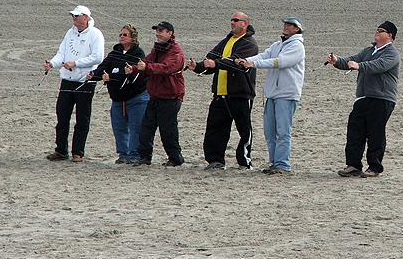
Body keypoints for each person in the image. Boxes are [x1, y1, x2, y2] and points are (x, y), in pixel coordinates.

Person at [185, 12, 258, 170]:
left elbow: (236, 63)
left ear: (245, 24)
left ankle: (244, 162)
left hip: (240, 94)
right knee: (215, 128)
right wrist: (197, 67)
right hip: (220, 94)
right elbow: (211, 59)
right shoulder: (226, 41)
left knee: (244, 129)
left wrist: (215, 64)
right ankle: (215, 160)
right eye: (231, 20)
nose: (232, 22)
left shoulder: (249, 43)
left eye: (236, 20)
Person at [327, 21, 401, 178]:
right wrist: (336, 61)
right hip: (362, 97)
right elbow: (351, 60)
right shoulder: (368, 50)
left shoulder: (392, 53)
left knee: (375, 134)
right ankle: (353, 165)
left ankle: (375, 167)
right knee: (355, 132)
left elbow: (378, 65)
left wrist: (359, 66)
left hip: (382, 98)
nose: (377, 32)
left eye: (381, 30)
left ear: (390, 35)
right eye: (377, 30)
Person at [237, 17, 305, 175]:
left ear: (297, 29)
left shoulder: (297, 46)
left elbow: (280, 62)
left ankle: (283, 164)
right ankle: (274, 162)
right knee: (270, 132)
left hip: (286, 95)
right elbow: (264, 55)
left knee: (283, 131)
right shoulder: (278, 44)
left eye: (289, 24)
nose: (285, 26)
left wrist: (254, 64)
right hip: (273, 94)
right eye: (285, 23)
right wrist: (246, 60)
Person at [44, 5, 105, 163]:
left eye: (77, 16)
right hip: (67, 80)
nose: (74, 18)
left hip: (85, 81)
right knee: (62, 115)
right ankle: (61, 150)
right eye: (73, 15)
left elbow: (97, 57)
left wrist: (76, 63)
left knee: (82, 118)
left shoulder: (95, 34)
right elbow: (62, 53)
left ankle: (78, 152)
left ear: (86, 17)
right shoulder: (69, 33)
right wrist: (52, 63)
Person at [125, 21, 186, 168]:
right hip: (154, 96)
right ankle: (145, 158)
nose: (158, 34)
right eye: (157, 31)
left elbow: (166, 68)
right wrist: (134, 69)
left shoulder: (176, 51)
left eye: (161, 31)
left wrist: (146, 67)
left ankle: (175, 158)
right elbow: (146, 63)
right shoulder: (156, 49)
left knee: (168, 130)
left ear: (170, 33)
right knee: (146, 128)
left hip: (170, 97)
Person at [86, 24, 148, 164]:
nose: (122, 37)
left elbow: (131, 74)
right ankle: (123, 154)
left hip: (136, 97)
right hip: (117, 98)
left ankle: (134, 154)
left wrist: (112, 77)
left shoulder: (138, 54)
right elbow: (103, 67)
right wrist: (94, 75)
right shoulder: (115, 53)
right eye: (120, 34)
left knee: (136, 128)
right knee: (119, 128)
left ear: (132, 38)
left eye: (125, 34)